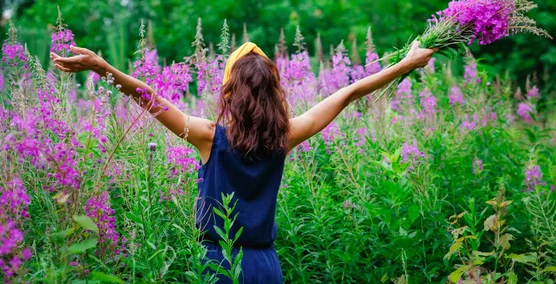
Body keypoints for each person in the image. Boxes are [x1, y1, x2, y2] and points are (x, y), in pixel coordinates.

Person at [50, 39, 435, 283]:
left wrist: (104, 68)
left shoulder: (208, 137)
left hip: (219, 264)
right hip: (266, 268)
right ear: (273, 93)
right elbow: (348, 93)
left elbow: (149, 97)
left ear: (229, 92)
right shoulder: (285, 137)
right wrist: (407, 63)